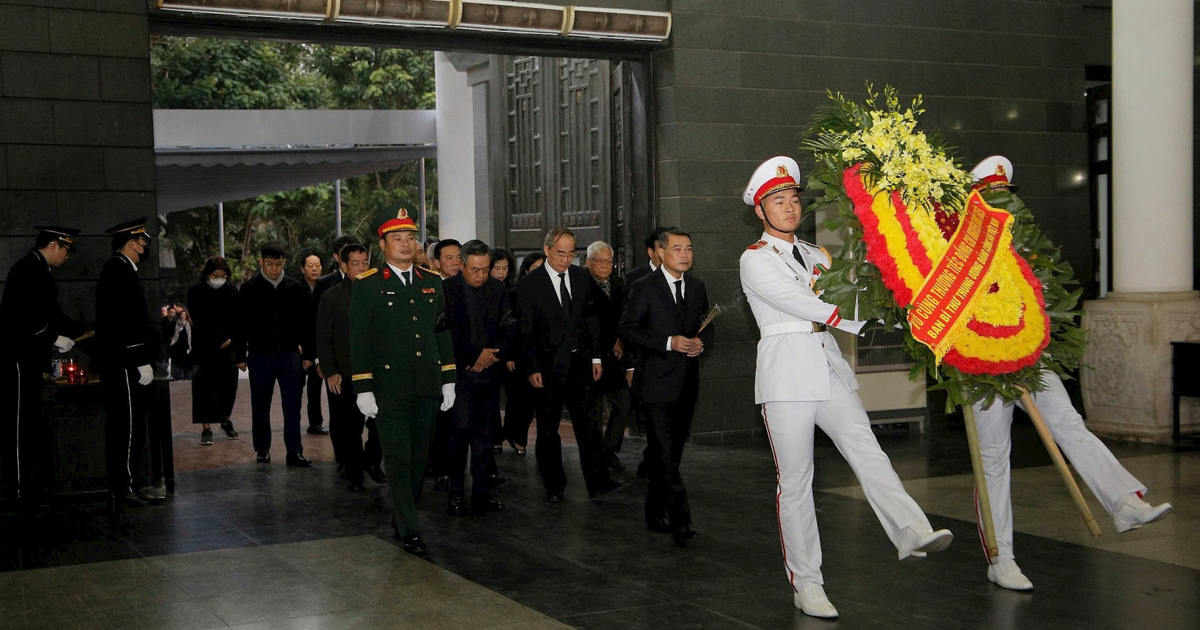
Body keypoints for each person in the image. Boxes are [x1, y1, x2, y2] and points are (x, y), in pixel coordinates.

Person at [739, 156, 952, 618]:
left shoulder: (819, 255)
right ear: (761, 211)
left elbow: (846, 291)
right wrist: (863, 312)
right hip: (786, 375)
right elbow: (804, 303)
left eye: (794, 199)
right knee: (796, 482)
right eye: (778, 201)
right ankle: (808, 584)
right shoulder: (754, 260)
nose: (789, 207)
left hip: (828, 365)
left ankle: (911, 529)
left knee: (866, 447)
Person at [966, 155, 1173, 591]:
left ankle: (1123, 502)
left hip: (1030, 353)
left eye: (1006, 195)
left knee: (1068, 422)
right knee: (993, 459)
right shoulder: (959, 250)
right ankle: (1000, 557)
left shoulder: (1026, 246)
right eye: (992, 195)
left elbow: (1044, 298)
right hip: (978, 363)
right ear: (976, 201)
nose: (1001, 203)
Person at [351, 203, 456, 555]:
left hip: (426, 385)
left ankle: (402, 511)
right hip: (389, 388)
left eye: (410, 237)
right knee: (397, 457)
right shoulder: (367, 286)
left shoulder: (431, 283)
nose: (406, 244)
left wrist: (448, 378)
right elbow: (359, 340)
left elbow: (441, 334)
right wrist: (363, 387)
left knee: (418, 458)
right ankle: (410, 527)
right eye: (397, 238)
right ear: (383, 244)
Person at [619, 228, 712, 546]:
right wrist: (668, 342)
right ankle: (681, 521)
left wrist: (701, 344)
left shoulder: (697, 287)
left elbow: (706, 326)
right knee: (665, 453)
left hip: (687, 383)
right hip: (655, 384)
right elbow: (628, 331)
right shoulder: (644, 287)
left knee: (670, 453)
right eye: (677, 249)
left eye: (689, 248)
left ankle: (653, 511)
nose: (685, 254)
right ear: (660, 253)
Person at [515, 227, 618, 502]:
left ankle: (597, 481)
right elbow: (525, 331)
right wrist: (532, 367)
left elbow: (592, 320)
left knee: (589, 428)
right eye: (560, 253)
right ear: (547, 250)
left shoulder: (582, 276)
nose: (565, 259)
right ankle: (554, 485)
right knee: (548, 430)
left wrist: (596, 357)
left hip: (581, 366)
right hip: (547, 370)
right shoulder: (529, 284)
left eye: (571, 253)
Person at [0, 226, 82, 504]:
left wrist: (73, 332)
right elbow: (19, 320)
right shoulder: (27, 270)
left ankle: (28, 483)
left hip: (31, 358)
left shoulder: (40, 271)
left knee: (30, 422)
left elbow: (52, 313)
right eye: (67, 250)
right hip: (19, 358)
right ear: (54, 245)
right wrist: (53, 336)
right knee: (20, 424)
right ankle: (18, 488)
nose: (68, 256)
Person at [442, 240, 512, 516]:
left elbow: (509, 325)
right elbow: (445, 333)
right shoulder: (447, 290)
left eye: (485, 269)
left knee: (485, 440)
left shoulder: (497, 288)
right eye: (475, 269)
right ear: (461, 265)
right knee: (458, 438)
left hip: (489, 376)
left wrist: (493, 355)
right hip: (461, 376)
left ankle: (482, 493)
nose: (481, 275)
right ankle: (456, 493)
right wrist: (474, 356)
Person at [96, 218, 161, 507]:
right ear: (133, 242)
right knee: (128, 424)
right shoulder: (118, 271)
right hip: (123, 363)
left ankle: (126, 484)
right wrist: (139, 359)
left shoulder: (122, 269)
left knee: (129, 424)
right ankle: (125, 486)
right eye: (143, 242)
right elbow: (124, 321)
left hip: (124, 361)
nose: (145, 247)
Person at [236, 242, 313, 467]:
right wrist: (240, 355)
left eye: (278, 264)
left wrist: (308, 354)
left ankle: (294, 451)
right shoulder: (249, 288)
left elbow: (306, 323)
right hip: (260, 355)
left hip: (289, 355)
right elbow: (241, 324)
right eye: (269, 264)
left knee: (293, 406)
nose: (274, 269)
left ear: (284, 263)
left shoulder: (294, 287)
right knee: (260, 404)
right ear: (261, 262)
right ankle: (262, 449)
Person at [316, 242, 384, 490]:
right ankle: (355, 474)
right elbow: (324, 338)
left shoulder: (380, 291)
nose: (362, 267)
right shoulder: (331, 296)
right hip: (345, 373)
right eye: (355, 263)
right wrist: (330, 371)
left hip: (378, 371)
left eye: (365, 262)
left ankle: (371, 460)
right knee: (350, 427)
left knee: (380, 423)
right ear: (343, 266)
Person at [622, 227, 668, 479]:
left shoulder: (683, 277)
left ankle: (657, 462)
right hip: (644, 360)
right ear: (651, 251)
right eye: (661, 248)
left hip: (672, 361)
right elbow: (628, 325)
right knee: (650, 417)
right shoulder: (635, 279)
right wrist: (629, 366)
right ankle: (654, 462)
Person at [586, 240, 632, 472]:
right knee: (593, 410)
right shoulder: (581, 284)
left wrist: (620, 339)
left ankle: (609, 450)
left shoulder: (619, 284)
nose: (604, 265)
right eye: (599, 261)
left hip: (615, 357)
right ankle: (594, 455)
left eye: (608, 261)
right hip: (590, 356)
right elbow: (586, 323)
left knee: (623, 403)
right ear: (588, 263)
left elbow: (624, 317)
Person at [187, 257, 240, 446]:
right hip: (205, 347)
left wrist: (230, 339)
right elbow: (198, 320)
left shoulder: (232, 291)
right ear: (207, 275)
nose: (218, 279)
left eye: (222, 276)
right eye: (214, 276)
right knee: (204, 389)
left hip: (228, 348)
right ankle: (206, 428)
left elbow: (238, 319)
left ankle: (225, 420)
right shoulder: (196, 292)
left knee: (228, 387)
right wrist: (218, 340)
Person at [500, 252, 545, 456]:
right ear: (526, 270)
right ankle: (516, 437)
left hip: (542, 355)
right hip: (518, 355)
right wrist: (509, 355)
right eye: (535, 268)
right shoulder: (515, 293)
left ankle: (515, 435)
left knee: (533, 403)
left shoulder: (550, 291)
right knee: (519, 401)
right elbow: (511, 327)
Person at [428, 238, 464, 490]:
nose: (454, 262)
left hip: (468, 363)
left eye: (458, 257)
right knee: (443, 421)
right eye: (448, 258)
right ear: (436, 262)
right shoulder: (430, 288)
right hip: (440, 364)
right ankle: (440, 469)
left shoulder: (469, 285)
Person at [487, 247, 518, 455]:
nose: (501, 272)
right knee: (491, 401)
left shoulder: (513, 291)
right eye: (497, 268)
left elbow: (516, 326)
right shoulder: (485, 290)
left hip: (510, 352)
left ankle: (511, 433)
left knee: (514, 397)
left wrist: (510, 354)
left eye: (505, 268)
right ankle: (495, 437)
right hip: (489, 352)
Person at [300, 251, 328, 436]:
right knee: (306, 387)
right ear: (302, 269)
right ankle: (308, 421)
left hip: (321, 344)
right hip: (302, 345)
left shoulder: (325, 287)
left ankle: (316, 423)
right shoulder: (297, 288)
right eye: (310, 265)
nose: (315, 268)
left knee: (319, 385)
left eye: (317, 265)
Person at [168, 308, 194, 380]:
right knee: (177, 363)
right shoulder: (176, 324)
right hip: (177, 346)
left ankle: (186, 377)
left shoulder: (188, 324)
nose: (183, 316)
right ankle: (177, 377)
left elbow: (189, 336)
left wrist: (189, 346)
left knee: (186, 363)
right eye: (181, 314)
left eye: (184, 315)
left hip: (185, 346)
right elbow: (174, 335)